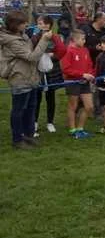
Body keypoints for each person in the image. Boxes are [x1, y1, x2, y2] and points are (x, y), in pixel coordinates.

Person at [0, 10, 53, 149]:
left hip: (31, 77)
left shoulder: (22, 35)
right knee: (18, 110)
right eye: (23, 23)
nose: (27, 24)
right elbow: (31, 57)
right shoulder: (11, 41)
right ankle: (17, 139)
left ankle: (28, 135)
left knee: (31, 108)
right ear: (15, 25)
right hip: (20, 78)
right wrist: (44, 40)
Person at [59, 29, 96, 138]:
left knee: (89, 106)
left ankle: (80, 128)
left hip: (85, 82)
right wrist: (82, 74)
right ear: (74, 39)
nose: (84, 41)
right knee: (73, 106)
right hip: (72, 82)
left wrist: (90, 74)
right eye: (82, 39)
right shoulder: (68, 51)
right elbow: (66, 69)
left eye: (84, 39)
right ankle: (72, 130)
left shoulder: (85, 50)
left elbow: (90, 64)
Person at [31, 15, 63, 135]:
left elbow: (62, 50)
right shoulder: (35, 37)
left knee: (51, 97)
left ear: (49, 24)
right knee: (36, 97)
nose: (42, 25)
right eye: (39, 23)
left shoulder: (55, 37)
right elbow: (32, 51)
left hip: (51, 69)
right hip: (38, 70)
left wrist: (53, 56)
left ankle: (50, 122)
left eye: (44, 23)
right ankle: (34, 122)